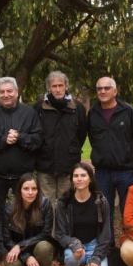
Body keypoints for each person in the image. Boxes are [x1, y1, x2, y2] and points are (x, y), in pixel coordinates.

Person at [0, 77, 43, 265]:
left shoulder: (29, 113)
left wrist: (20, 138)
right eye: (2, 92)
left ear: (17, 92)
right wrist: (3, 140)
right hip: (0, 173)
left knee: (25, 212)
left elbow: (37, 140)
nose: (6, 95)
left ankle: (22, 247)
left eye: (9, 91)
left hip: (22, 174)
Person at [88, 76, 133, 232]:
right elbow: (93, 139)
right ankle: (108, 246)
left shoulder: (127, 111)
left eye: (106, 88)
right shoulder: (93, 113)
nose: (103, 91)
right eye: (99, 89)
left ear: (115, 91)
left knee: (128, 211)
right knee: (104, 211)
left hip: (126, 171)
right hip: (103, 172)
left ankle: (129, 246)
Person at [55, 163, 112, 266]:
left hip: (94, 245)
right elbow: (60, 233)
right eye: (76, 176)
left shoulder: (101, 201)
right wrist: (74, 244)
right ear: (72, 179)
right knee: (69, 255)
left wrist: (97, 256)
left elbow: (105, 234)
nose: (79, 179)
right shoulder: (64, 202)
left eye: (83, 175)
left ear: (90, 178)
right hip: (75, 248)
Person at [34, 71, 87, 203]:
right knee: (46, 205)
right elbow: (35, 134)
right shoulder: (39, 108)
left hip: (69, 164)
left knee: (67, 204)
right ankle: (50, 225)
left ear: (66, 87)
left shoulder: (77, 108)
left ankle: (65, 225)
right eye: (54, 86)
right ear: (49, 88)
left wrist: (71, 149)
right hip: (45, 165)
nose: (57, 89)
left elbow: (81, 134)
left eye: (60, 85)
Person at [2, 174, 56, 266]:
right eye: (26, 189)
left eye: (34, 189)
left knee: (44, 247)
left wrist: (20, 246)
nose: (30, 192)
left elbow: (45, 234)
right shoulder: (10, 209)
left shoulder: (45, 205)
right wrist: (26, 257)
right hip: (19, 251)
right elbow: (6, 239)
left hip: (39, 247)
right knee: (12, 264)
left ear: (38, 190)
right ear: (19, 190)